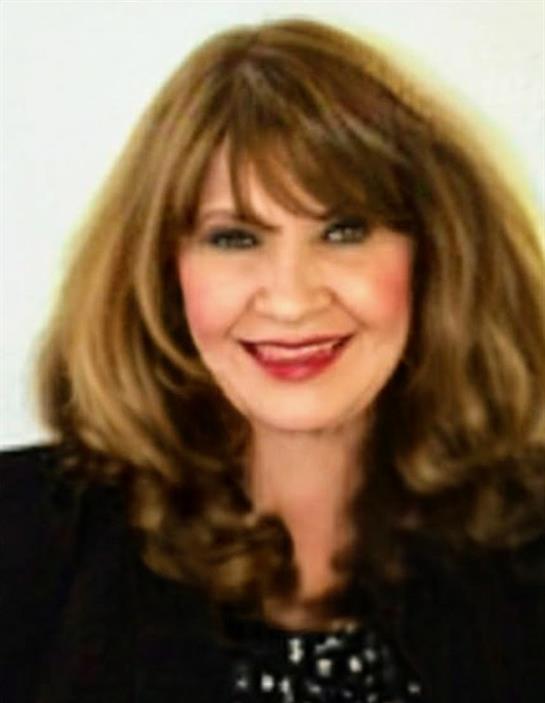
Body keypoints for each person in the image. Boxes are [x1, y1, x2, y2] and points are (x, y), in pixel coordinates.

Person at [1, 17, 544, 703]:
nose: (290, 299)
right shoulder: (20, 543)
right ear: (164, 274)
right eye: (234, 238)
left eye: (343, 230)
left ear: (436, 255)